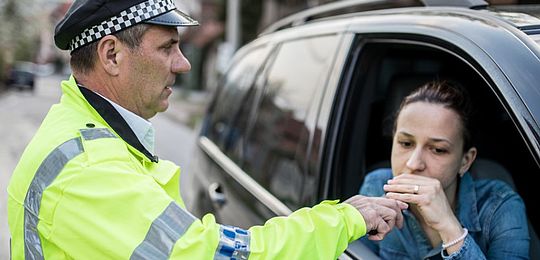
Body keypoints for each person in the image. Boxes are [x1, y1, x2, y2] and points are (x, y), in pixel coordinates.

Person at [6, 0, 408, 259]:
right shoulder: (88, 168)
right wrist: (344, 219)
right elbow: (211, 256)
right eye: (167, 47)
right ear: (111, 54)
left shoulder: (83, 130)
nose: (183, 64)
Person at [358, 80, 530, 259]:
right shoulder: (375, 187)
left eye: (438, 150)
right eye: (406, 143)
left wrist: (449, 229)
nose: (413, 163)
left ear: (465, 160)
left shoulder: (499, 206)